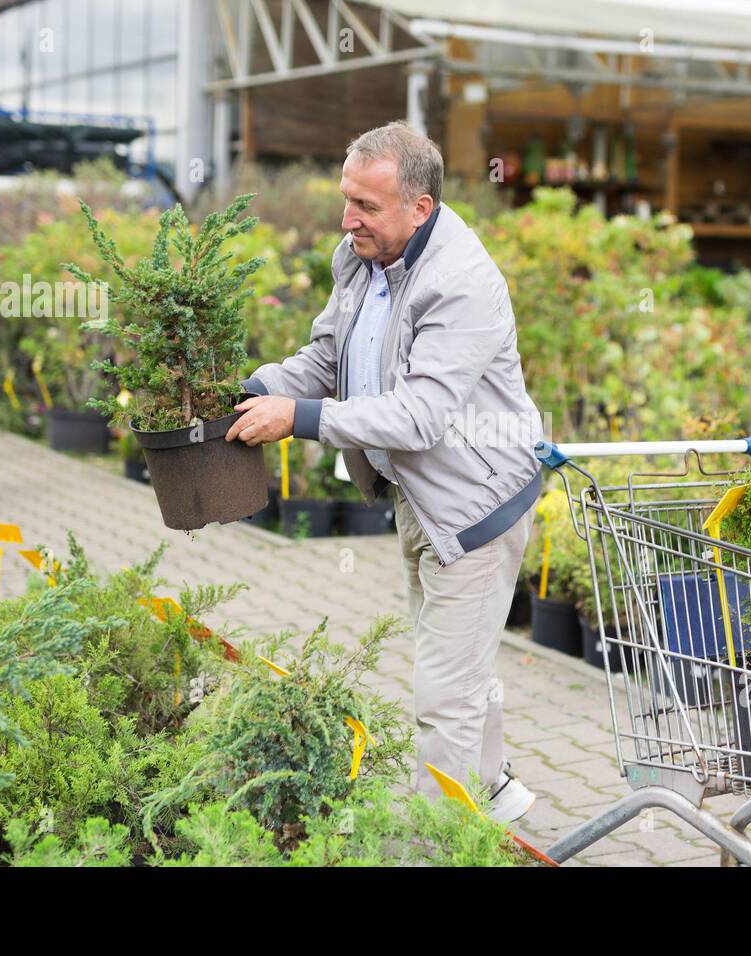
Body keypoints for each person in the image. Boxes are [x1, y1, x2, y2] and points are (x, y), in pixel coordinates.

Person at [226, 121, 544, 823]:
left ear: (420, 207)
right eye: (347, 200)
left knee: (443, 694)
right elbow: (325, 361)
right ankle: (493, 791)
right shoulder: (361, 258)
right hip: (418, 493)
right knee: (457, 663)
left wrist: (299, 420)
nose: (348, 220)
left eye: (366, 206)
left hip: (476, 506)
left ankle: (439, 839)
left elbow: (419, 417)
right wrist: (249, 388)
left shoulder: (459, 284)